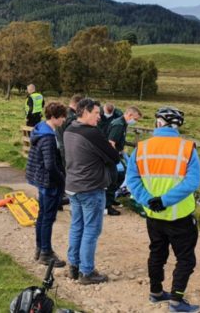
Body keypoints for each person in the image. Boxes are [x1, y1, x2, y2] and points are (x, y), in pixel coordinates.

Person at [126, 106, 200, 313]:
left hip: (153, 214)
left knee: (157, 253)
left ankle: (156, 292)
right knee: (185, 258)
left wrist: (149, 200)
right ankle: (177, 301)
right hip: (180, 216)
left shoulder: (141, 148)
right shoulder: (187, 148)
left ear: (158, 123)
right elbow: (193, 181)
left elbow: (131, 179)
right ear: (177, 126)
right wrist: (166, 200)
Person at [63, 98, 120, 285]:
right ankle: (87, 271)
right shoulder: (92, 133)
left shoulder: (69, 128)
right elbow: (114, 158)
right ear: (85, 112)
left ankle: (73, 266)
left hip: (73, 185)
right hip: (90, 187)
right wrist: (110, 150)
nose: (99, 117)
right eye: (96, 113)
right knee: (91, 229)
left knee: (77, 226)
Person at [25, 102, 68, 267]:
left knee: (42, 216)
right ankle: (46, 252)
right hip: (49, 182)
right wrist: (62, 179)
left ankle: (39, 247)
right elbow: (50, 165)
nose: (64, 120)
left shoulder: (40, 128)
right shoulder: (49, 137)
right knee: (48, 218)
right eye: (62, 117)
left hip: (40, 179)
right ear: (54, 117)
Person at [56, 94, 82, 168]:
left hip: (60, 145)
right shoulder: (73, 117)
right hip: (68, 149)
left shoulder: (62, 112)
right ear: (77, 104)